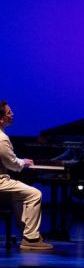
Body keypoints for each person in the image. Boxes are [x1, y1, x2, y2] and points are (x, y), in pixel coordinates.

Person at [0, 100, 53, 250]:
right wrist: (23, 163)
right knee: (35, 194)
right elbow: (11, 164)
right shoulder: (1, 138)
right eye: (9, 112)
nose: (12, 114)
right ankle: (31, 238)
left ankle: (27, 232)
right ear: (1, 118)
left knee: (20, 194)